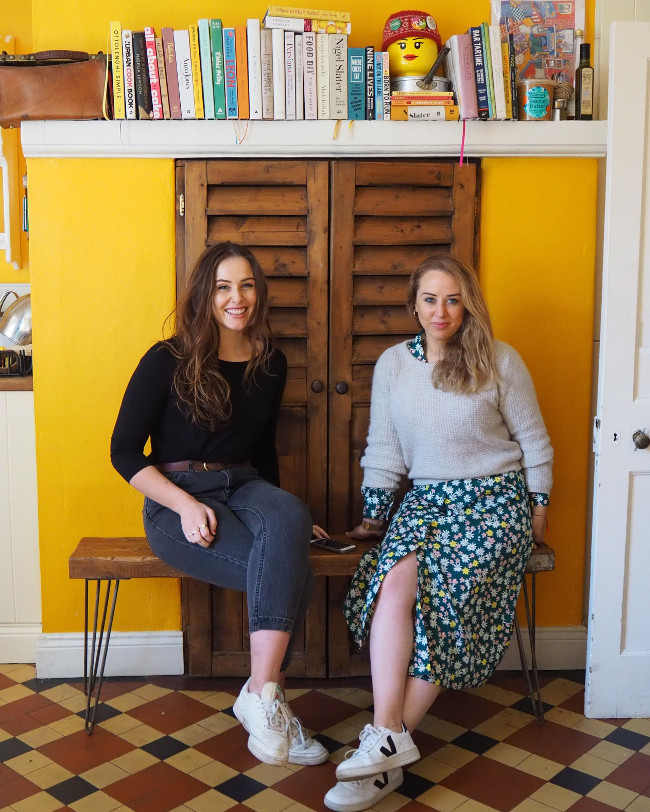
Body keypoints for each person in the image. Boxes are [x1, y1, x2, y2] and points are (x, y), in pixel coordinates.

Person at [324, 255, 553, 812]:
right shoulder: (393, 365)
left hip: (494, 503)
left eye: (453, 299)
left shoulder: (500, 360)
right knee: (394, 583)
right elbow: (384, 449)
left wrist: (536, 516)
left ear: (468, 303)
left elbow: (535, 441)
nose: (441, 310)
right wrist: (375, 516)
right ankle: (390, 738)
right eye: (430, 299)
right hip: (425, 503)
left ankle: (383, 744)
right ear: (414, 305)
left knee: (445, 605)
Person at [111, 241, 328, 768]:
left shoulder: (270, 363)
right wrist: (183, 504)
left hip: (246, 486)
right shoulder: (167, 359)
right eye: (225, 286)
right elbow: (122, 452)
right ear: (205, 293)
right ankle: (270, 703)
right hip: (176, 502)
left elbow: (263, 450)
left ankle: (260, 695)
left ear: (259, 292)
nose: (238, 298)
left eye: (247, 285)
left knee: (290, 523)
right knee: (285, 566)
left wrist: (291, 520)